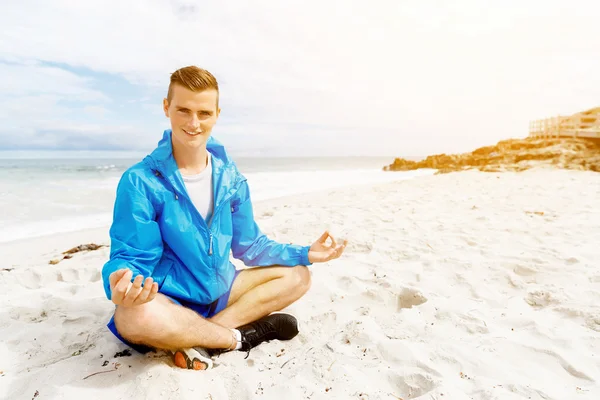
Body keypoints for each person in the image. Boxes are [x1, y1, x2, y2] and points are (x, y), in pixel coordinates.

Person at [101, 65, 347, 370]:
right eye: (183, 110)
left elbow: (250, 246)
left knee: (299, 274)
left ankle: (198, 339)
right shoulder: (140, 181)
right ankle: (238, 338)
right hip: (170, 299)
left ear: (217, 114)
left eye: (204, 113)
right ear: (167, 108)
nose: (193, 123)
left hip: (221, 290)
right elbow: (133, 256)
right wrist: (122, 280)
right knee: (133, 317)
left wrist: (306, 252)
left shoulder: (231, 179)